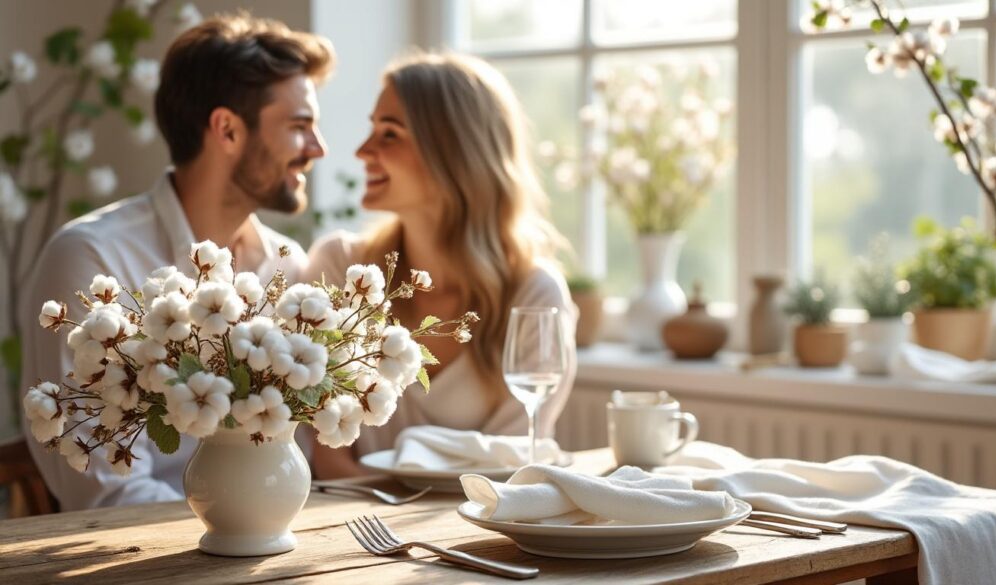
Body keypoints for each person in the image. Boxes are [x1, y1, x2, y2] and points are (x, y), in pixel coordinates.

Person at [18, 12, 334, 510]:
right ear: (227, 130)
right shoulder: (93, 259)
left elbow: (297, 454)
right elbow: (107, 490)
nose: (318, 148)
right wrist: (237, 530)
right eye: (300, 126)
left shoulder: (286, 268)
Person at [308, 52, 577, 478]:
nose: (363, 150)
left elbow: (518, 464)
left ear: (453, 152)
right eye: (372, 129)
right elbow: (325, 452)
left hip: (479, 518)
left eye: (389, 133)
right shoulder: (342, 268)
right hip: (357, 514)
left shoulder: (534, 295)